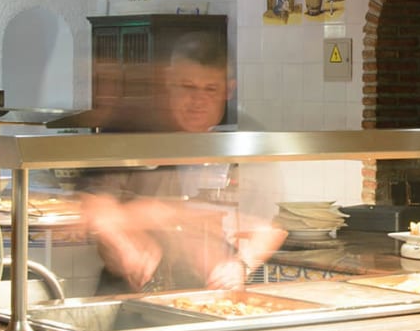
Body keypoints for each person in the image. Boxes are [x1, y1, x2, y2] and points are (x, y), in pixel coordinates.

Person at [76, 35, 284, 294]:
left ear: (229, 90)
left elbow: (269, 224)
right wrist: (123, 242)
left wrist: (241, 264)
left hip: (209, 294)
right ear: (169, 80)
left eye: (210, 89)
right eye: (187, 87)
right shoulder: (131, 130)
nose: (198, 101)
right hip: (131, 293)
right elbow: (95, 205)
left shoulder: (245, 140)